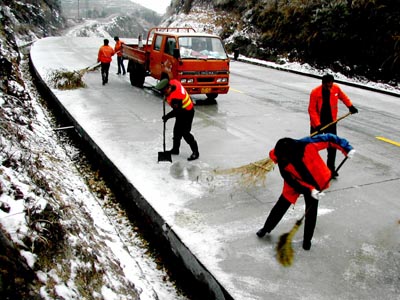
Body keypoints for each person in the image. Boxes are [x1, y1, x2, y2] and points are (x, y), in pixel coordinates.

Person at [256, 133, 355, 250]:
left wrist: (346, 148)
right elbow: (292, 182)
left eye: (284, 157)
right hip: (294, 182)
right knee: (281, 204)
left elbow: (329, 139)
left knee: (311, 211)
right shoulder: (281, 159)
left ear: (292, 153)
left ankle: (307, 240)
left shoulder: (307, 144)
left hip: (315, 179)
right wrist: (309, 190)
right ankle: (266, 228)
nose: (282, 160)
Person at [308, 74, 358, 178]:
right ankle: (311, 169)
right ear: (323, 84)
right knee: (312, 147)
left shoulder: (336, 88)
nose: (330, 87)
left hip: (331, 122)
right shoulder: (315, 92)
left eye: (331, 85)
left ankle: (331, 169)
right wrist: (317, 125)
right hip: (317, 124)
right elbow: (312, 110)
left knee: (332, 146)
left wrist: (350, 106)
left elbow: (343, 97)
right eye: (327, 86)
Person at [154, 78, 200, 161]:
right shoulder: (173, 82)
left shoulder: (176, 97)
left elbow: (177, 112)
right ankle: (175, 149)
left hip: (187, 112)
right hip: (181, 110)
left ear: (168, 88)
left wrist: (167, 116)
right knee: (176, 131)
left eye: (164, 91)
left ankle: (196, 152)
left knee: (185, 133)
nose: (163, 93)